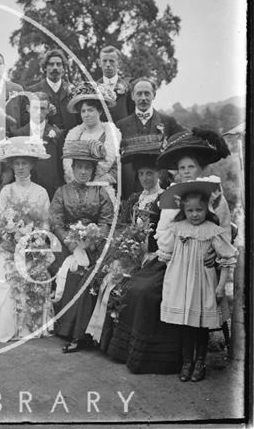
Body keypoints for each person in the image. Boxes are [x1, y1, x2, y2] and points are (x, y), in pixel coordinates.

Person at [106, 128, 232, 374]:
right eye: (182, 168)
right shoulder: (173, 197)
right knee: (135, 287)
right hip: (173, 259)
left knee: (153, 292)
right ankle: (143, 353)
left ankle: (183, 359)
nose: (186, 172)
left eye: (191, 167)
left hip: (204, 263)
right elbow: (163, 233)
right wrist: (165, 253)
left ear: (201, 168)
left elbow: (224, 232)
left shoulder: (214, 195)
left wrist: (214, 254)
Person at [85, 134, 164, 352]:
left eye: (150, 173)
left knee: (121, 284)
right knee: (103, 276)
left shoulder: (163, 199)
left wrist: (145, 250)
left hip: (153, 257)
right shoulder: (134, 199)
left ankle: (117, 343)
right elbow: (120, 226)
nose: (146, 178)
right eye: (141, 174)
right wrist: (123, 248)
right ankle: (96, 336)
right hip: (131, 253)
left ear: (159, 174)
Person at [157, 182, 237, 382]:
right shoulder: (176, 228)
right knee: (185, 326)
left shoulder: (212, 230)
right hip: (180, 284)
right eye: (190, 210)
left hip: (202, 285)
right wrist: (171, 278)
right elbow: (166, 254)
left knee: (200, 325)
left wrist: (221, 285)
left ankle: (200, 362)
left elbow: (227, 258)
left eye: (199, 210)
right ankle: (186, 362)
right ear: (183, 210)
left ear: (206, 209)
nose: (194, 214)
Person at [0, 137, 55, 342]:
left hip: (33, 249)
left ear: (32, 164)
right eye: (17, 163)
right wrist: (14, 238)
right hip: (10, 248)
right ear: (12, 166)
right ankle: (9, 327)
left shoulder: (41, 192)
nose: (21, 167)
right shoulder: (6, 191)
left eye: (25, 163)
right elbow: (0, 222)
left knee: (36, 273)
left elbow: (45, 223)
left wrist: (35, 242)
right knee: (3, 281)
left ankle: (31, 326)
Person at [50, 140, 114, 352]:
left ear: (93, 170)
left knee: (89, 274)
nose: (83, 172)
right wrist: (72, 245)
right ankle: (66, 328)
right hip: (67, 244)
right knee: (70, 270)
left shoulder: (101, 192)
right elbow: (56, 222)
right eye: (79, 167)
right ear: (73, 168)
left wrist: (93, 241)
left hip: (95, 246)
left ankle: (81, 332)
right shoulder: (62, 192)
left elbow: (106, 221)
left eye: (88, 168)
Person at [116, 77, 185, 199]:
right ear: (132, 96)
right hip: (128, 190)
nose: (143, 98)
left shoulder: (168, 122)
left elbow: (186, 139)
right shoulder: (120, 126)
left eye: (147, 93)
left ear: (154, 95)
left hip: (161, 189)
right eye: (139, 94)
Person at [63, 82, 122, 200]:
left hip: (102, 191)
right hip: (77, 191)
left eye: (90, 110)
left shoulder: (110, 135)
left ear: (99, 111)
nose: (86, 115)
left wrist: (97, 183)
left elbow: (116, 168)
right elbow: (69, 166)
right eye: (83, 111)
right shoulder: (75, 135)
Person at [11, 90, 65, 199]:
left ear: (48, 110)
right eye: (35, 108)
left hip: (52, 190)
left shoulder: (57, 134)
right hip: (25, 191)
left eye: (43, 108)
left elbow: (61, 164)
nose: (39, 112)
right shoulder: (18, 135)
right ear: (28, 108)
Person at [28, 49, 78, 131]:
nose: (55, 67)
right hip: (45, 139)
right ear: (44, 68)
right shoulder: (33, 91)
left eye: (58, 64)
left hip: (71, 139)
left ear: (63, 69)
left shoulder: (73, 90)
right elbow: (28, 120)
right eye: (51, 64)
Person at [95, 46, 134, 123]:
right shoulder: (94, 88)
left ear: (119, 63)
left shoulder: (128, 87)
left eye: (112, 61)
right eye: (104, 61)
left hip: (123, 131)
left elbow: (132, 113)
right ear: (99, 63)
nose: (108, 64)